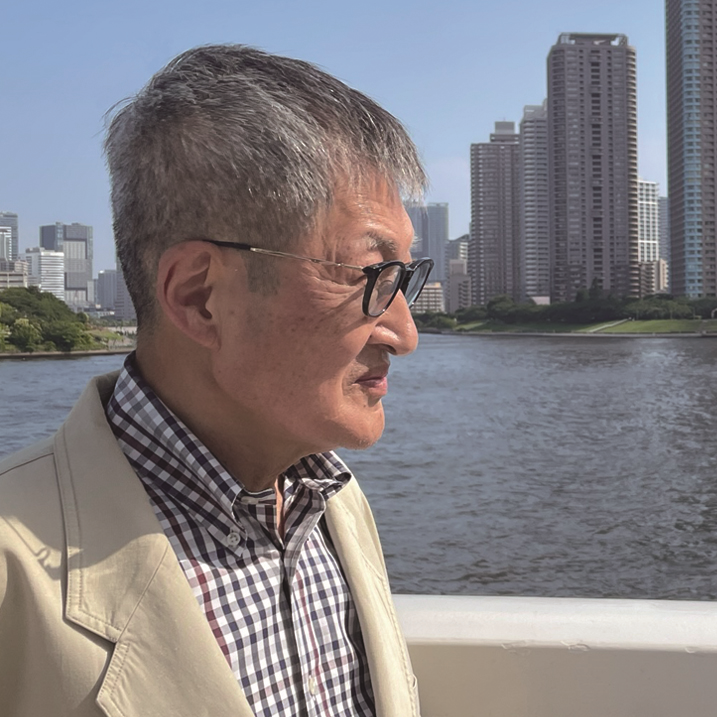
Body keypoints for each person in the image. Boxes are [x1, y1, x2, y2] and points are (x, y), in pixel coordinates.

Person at [0, 44, 433, 716]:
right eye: (370, 276)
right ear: (201, 298)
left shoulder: (332, 501)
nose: (404, 333)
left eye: (404, 278)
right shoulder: (12, 568)